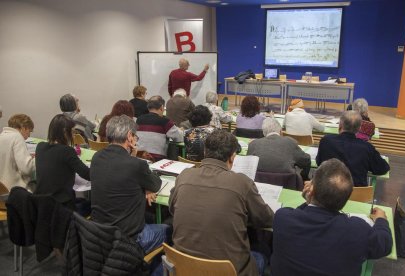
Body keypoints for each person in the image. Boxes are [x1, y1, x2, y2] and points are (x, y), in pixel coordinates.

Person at [169, 129, 274, 276]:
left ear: (205, 152)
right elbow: (266, 219)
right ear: (232, 157)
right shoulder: (242, 183)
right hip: (229, 271)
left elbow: (172, 208)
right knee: (261, 254)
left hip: (183, 267)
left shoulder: (184, 175)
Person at [271, 158, 393, 276]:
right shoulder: (358, 230)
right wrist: (381, 220)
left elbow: (296, 217)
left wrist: (308, 203)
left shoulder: (282, 217)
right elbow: (385, 245)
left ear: (311, 192)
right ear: (346, 199)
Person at [91, 115, 169, 254]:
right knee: (169, 229)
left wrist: (132, 156)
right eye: (135, 136)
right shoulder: (136, 165)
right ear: (129, 137)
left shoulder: (97, 157)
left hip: (100, 233)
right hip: (131, 239)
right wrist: (146, 186)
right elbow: (156, 184)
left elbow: (123, 174)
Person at [316, 111, 389, 186]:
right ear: (359, 128)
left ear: (340, 124)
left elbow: (319, 162)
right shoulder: (366, 148)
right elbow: (382, 169)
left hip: (327, 190)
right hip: (356, 195)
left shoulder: (326, 141)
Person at [35, 114, 90, 210]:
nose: (74, 136)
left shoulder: (40, 147)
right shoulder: (67, 151)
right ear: (65, 132)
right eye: (72, 132)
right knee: (91, 205)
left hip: (40, 204)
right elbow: (87, 174)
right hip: (62, 206)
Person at [136, 96, 183, 161]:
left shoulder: (139, 119)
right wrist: (180, 130)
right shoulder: (165, 121)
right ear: (161, 108)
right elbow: (179, 138)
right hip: (157, 160)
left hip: (140, 157)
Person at [0, 114, 35, 190]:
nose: (29, 135)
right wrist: (37, 158)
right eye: (29, 131)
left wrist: (27, 156)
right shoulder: (17, 137)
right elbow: (27, 169)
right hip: (14, 190)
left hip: (2, 189)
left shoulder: (1, 136)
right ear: (24, 128)